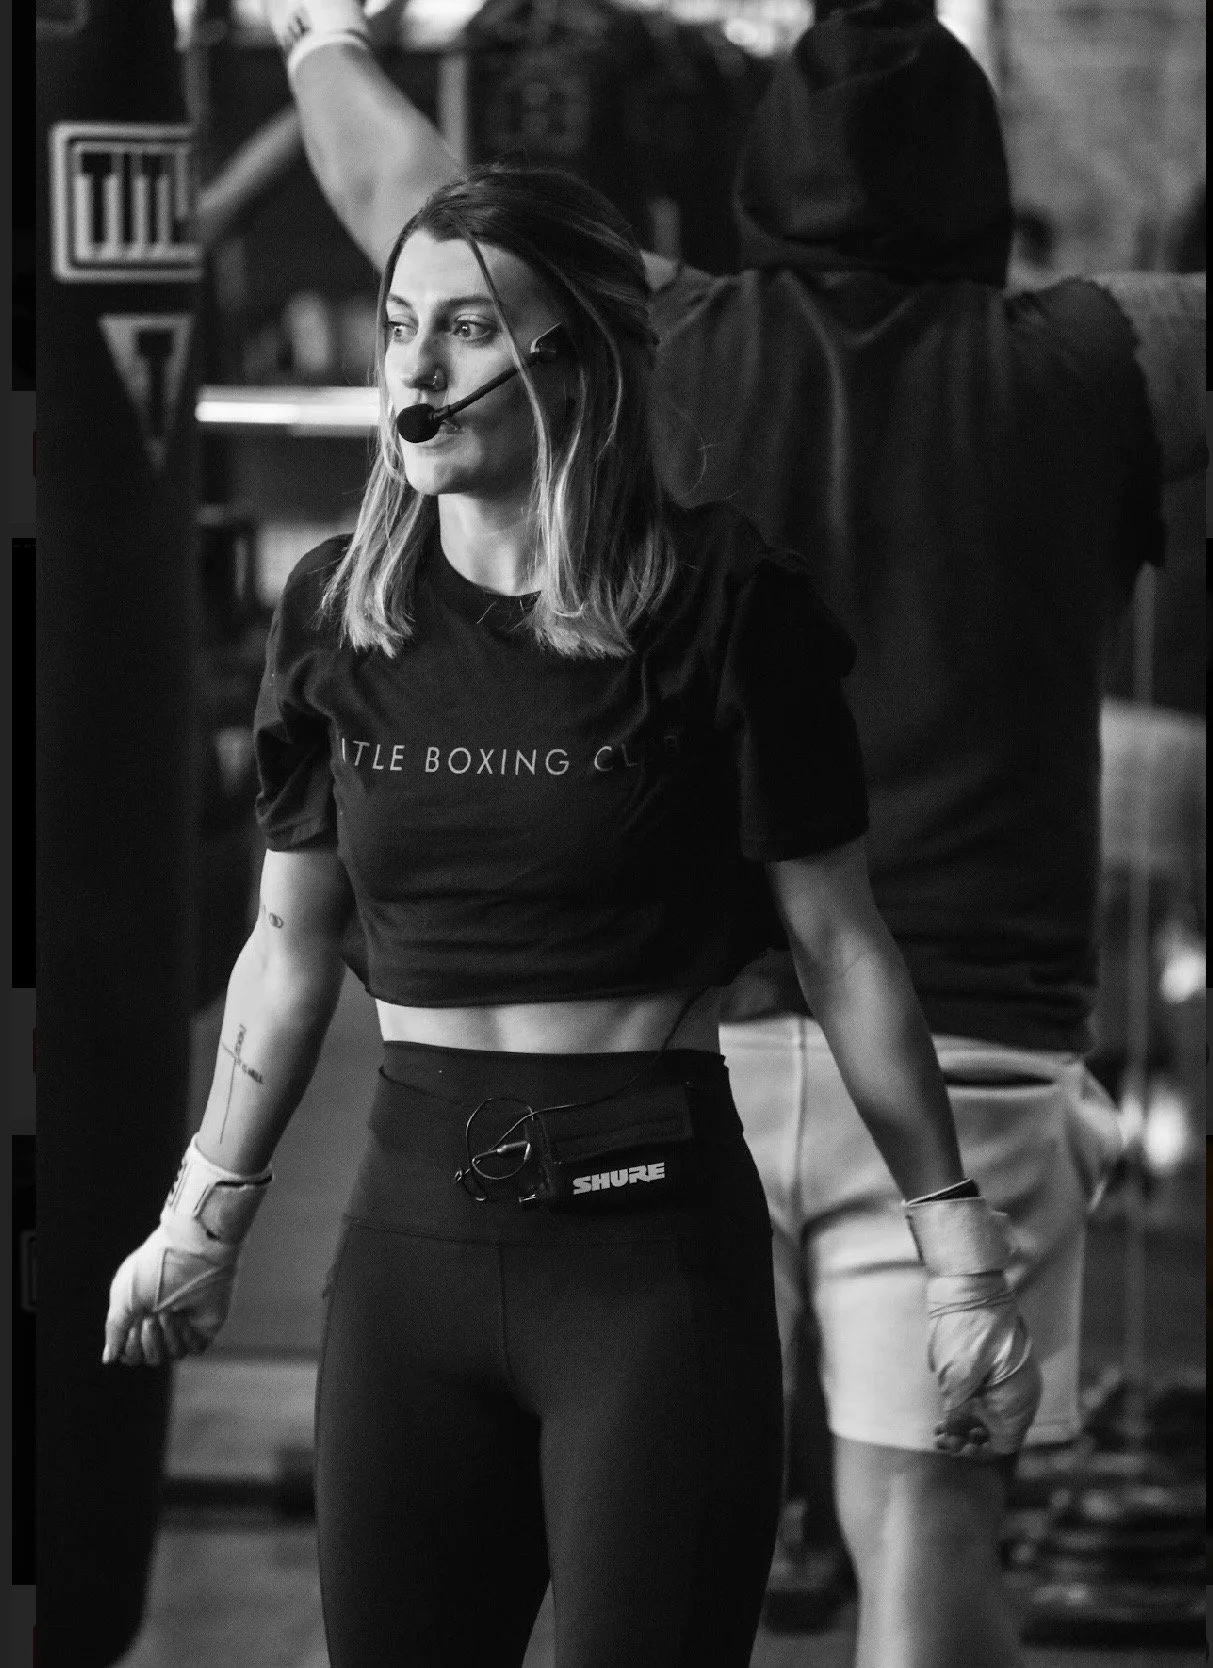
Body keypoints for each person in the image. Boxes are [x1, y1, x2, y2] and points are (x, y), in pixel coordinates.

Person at [263, 4, 1206, 1664]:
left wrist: (317, 36)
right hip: (960, 1059)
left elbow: (404, 187)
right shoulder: (1092, 353)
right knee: (921, 1536)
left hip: (683, 1048)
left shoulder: (659, 328)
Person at [102, 164, 1040, 1668]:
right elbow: (288, 948)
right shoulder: (336, 612)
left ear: (580, 359)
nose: (414, 365)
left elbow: (843, 944)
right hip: (409, 1252)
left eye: (468, 327)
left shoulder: (724, 601)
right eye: (403, 325)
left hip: (648, 1271)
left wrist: (962, 1254)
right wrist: (200, 1216)